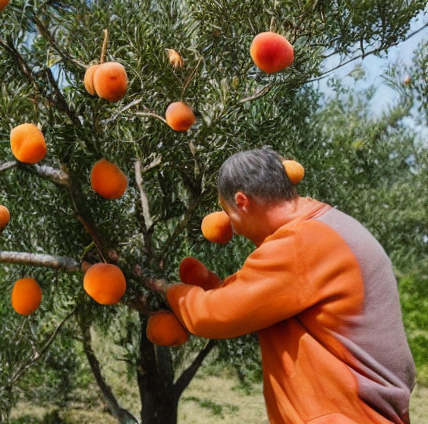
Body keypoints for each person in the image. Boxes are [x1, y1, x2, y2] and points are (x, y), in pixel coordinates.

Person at [165, 147, 416, 424]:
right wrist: (214, 287)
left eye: (229, 214)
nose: (233, 229)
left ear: (242, 201)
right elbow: (260, 295)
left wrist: (168, 291)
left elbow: (209, 315)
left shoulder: (300, 244)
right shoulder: (326, 225)